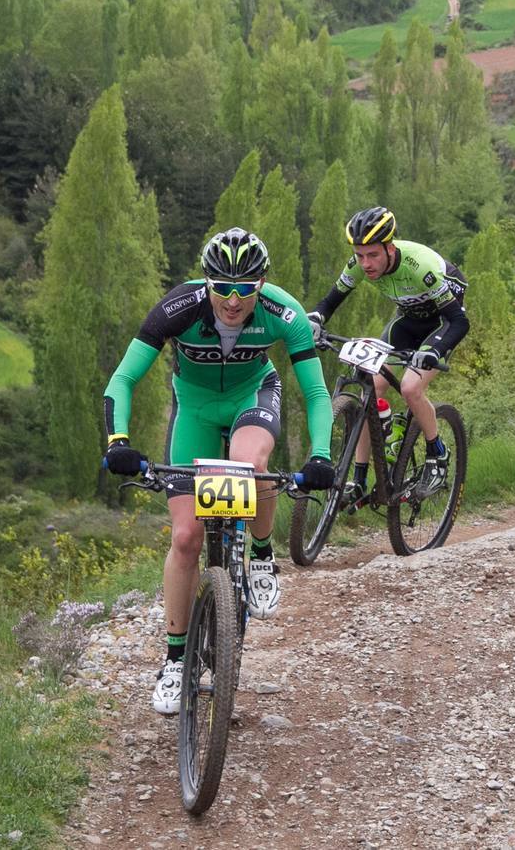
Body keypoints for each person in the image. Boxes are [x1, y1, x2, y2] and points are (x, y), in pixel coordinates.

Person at [103, 227, 336, 715]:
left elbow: (316, 393)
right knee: (186, 537)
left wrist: (320, 455)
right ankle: (174, 659)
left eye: (245, 288)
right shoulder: (179, 306)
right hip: (195, 408)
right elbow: (123, 378)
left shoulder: (283, 313)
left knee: (253, 466)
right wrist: (118, 441)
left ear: (261, 284)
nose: (232, 300)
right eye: (222, 287)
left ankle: (263, 555)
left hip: (253, 397)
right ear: (206, 283)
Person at [307, 207, 469, 499]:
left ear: (390, 249)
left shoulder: (420, 267)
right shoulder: (359, 264)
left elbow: (459, 321)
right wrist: (316, 319)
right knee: (370, 383)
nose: (365, 263)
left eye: (372, 255)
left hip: (443, 322)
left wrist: (435, 351)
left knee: (410, 387)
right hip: (407, 320)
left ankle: (437, 454)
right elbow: (329, 302)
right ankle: (358, 480)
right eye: (360, 255)